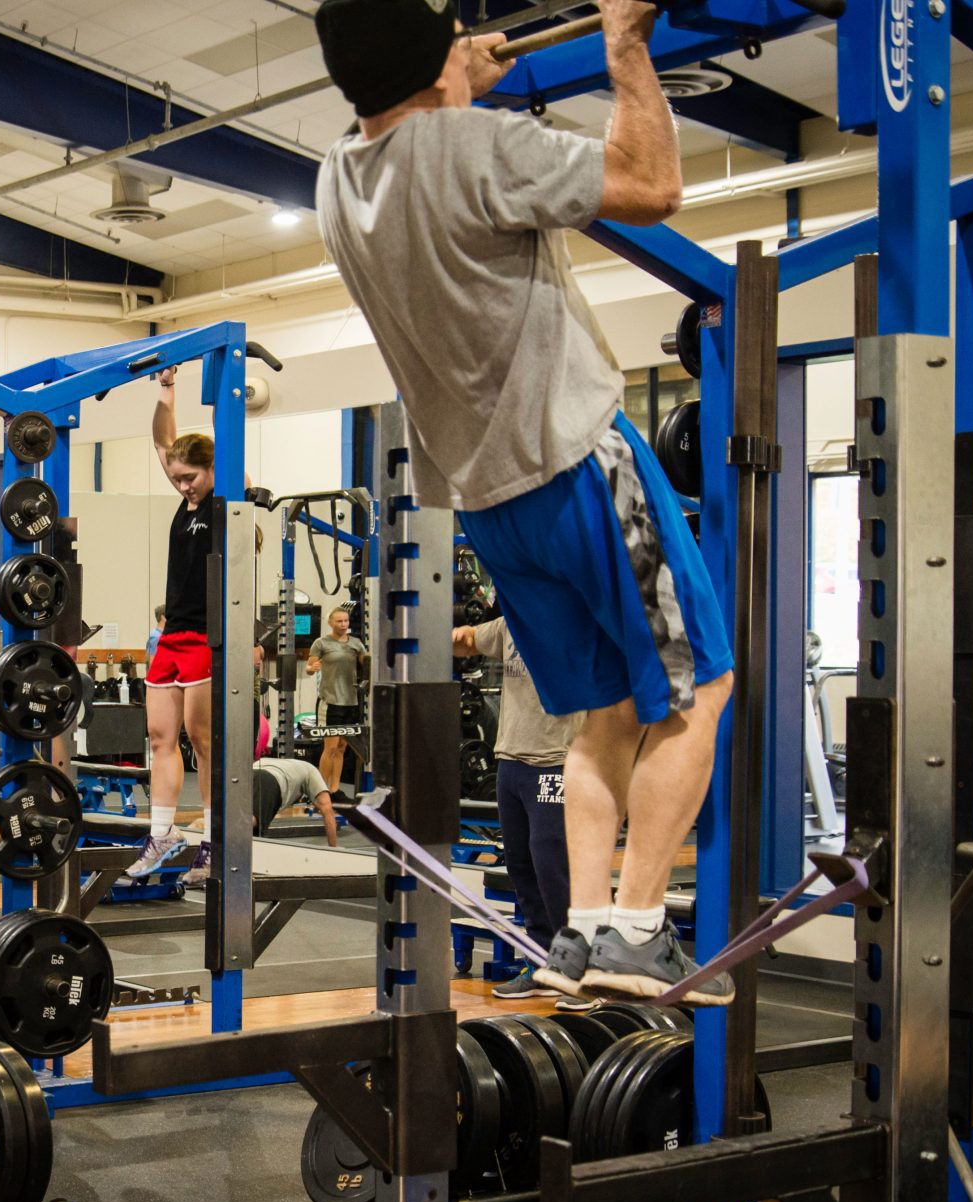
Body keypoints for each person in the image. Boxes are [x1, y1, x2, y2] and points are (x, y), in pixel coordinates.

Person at [313, 0, 735, 1005]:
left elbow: (399, 122)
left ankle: (583, 929)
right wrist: (624, 45)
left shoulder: (335, 181)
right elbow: (651, 182)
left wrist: (444, 74)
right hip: (579, 463)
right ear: (430, 54)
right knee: (696, 688)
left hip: (490, 502)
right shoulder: (475, 147)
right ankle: (637, 925)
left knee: (596, 713)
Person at [454, 615, 589, 1006]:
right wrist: (438, 634)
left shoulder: (571, 615)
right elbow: (468, 643)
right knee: (521, 866)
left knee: (554, 867)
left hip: (556, 760)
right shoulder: (510, 620)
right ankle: (542, 961)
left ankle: (582, 972)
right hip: (509, 760)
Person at [129, 368, 222, 883]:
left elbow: (215, 453)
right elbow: (163, 439)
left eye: (191, 477)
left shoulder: (223, 495)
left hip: (207, 636)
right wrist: (168, 390)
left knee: (201, 738)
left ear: (211, 469)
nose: (182, 484)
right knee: (159, 734)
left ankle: (211, 840)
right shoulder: (186, 500)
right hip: (172, 636)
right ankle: (162, 833)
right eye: (177, 477)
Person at [307, 606, 367, 797]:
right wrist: (312, 668)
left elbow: (367, 665)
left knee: (341, 748)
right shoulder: (321, 643)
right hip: (330, 701)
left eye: (346, 621)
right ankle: (322, 791)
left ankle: (334, 789)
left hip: (351, 701)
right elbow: (309, 667)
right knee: (330, 748)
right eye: (339, 621)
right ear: (330, 623)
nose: (343, 624)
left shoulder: (356, 644)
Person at [252, 754, 338, 849]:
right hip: (269, 780)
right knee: (252, 823)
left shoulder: (266, 760)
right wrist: (333, 848)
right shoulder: (310, 769)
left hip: (248, 774)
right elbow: (327, 809)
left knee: (249, 832)